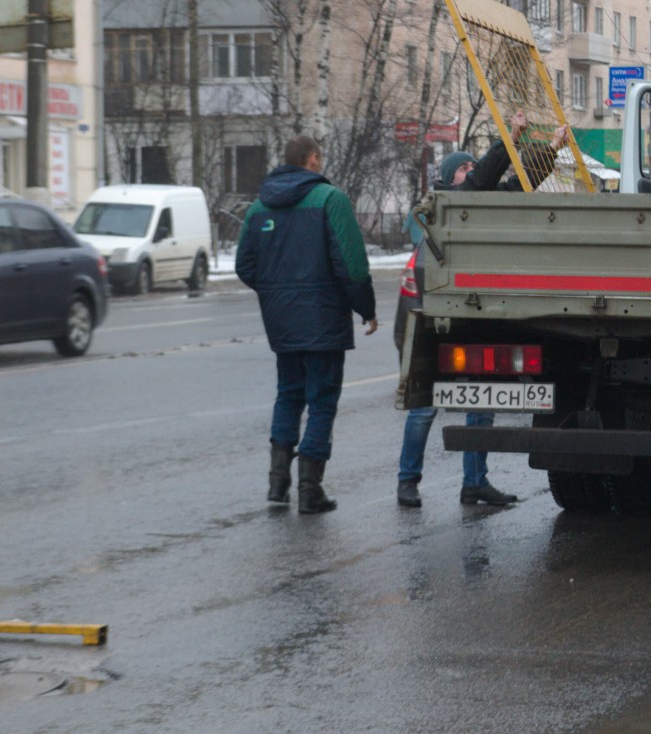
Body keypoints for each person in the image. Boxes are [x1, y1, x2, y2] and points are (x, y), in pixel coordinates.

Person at [396, 112, 565, 509]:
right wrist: (511, 136)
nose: (471, 171)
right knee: (422, 410)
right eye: (465, 168)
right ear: (451, 176)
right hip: (433, 317)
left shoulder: (479, 200)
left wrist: (551, 151)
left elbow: (517, 187)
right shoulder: (443, 203)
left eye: (474, 164)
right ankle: (407, 481)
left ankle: (475, 483)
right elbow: (483, 179)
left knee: (482, 403)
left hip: (474, 311)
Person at [235, 136, 378, 514]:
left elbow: (244, 266)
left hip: (281, 320)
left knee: (289, 394)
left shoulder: (260, 206)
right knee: (322, 399)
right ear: (313, 159)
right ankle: (310, 489)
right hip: (324, 317)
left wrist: (276, 292)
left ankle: (277, 486)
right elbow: (352, 266)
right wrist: (365, 308)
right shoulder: (330, 200)